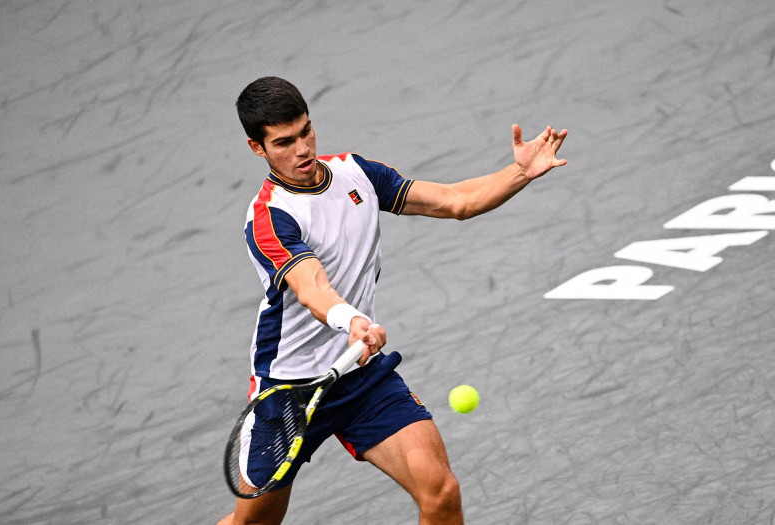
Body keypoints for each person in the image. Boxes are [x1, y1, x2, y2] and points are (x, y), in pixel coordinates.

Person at [218, 76, 568, 525]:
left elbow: (455, 201)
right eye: (284, 142)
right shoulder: (269, 216)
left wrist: (520, 171)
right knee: (252, 523)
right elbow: (313, 287)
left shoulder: (355, 174)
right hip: (288, 392)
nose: (302, 149)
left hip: (361, 378)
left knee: (441, 493)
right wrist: (353, 323)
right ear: (257, 148)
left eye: (305, 131)